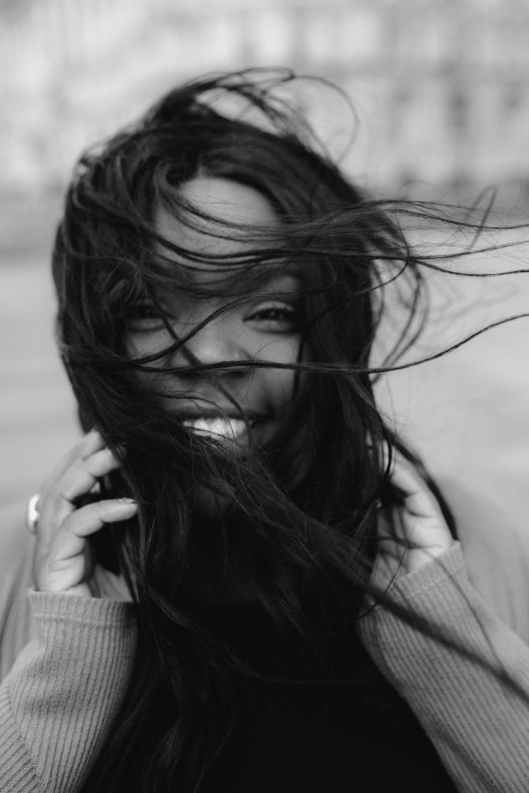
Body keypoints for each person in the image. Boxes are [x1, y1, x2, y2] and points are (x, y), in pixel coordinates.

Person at [2, 69, 529, 793]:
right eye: (153, 310)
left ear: (331, 332)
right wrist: (59, 676)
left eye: (271, 312)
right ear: (97, 336)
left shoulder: (463, 541)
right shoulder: (21, 571)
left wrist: (450, 653)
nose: (212, 355)